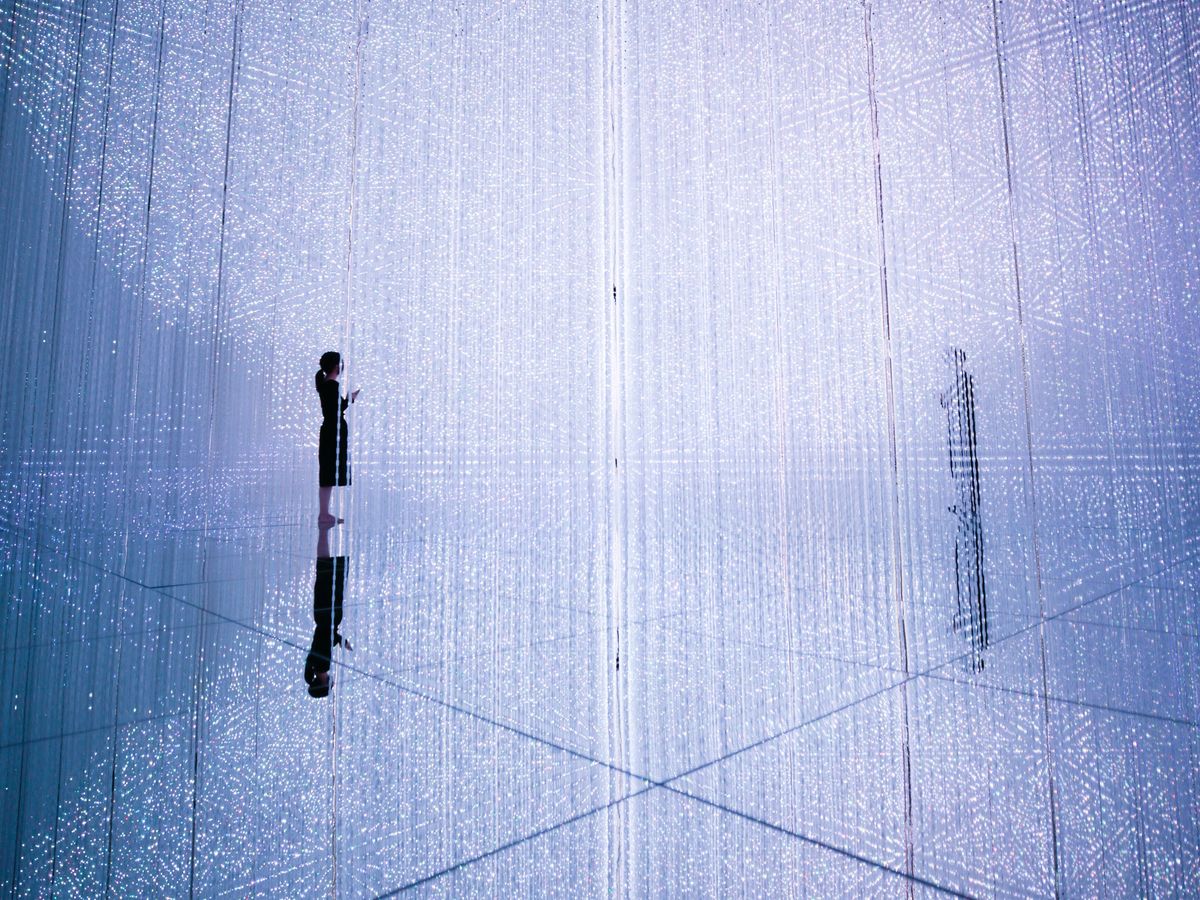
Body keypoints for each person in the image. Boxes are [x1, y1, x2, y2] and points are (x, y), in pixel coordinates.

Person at [305, 522, 351, 698]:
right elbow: (324, 640)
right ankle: (323, 530)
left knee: (329, 573)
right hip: (323, 616)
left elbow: (325, 637)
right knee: (324, 570)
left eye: (329, 687)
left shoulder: (322, 665)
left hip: (328, 617)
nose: (332, 684)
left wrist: (340, 639)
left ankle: (324, 528)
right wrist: (340, 641)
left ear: (324, 684)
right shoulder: (316, 665)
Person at [315, 351, 360, 524]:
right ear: (336, 366)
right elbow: (337, 409)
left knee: (327, 473)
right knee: (329, 471)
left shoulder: (325, 383)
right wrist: (350, 398)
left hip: (329, 429)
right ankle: (324, 514)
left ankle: (324, 513)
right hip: (334, 430)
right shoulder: (332, 385)